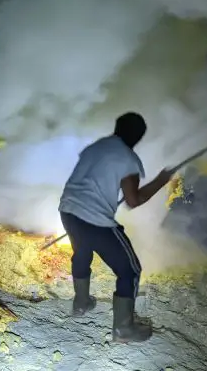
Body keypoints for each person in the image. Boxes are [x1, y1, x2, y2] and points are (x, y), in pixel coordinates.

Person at [59, 112, 173, 343]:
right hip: (95, 221)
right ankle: (123, 329)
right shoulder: (128, 159)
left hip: (68, 210)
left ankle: (80, 303)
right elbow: (133, 200)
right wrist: (161, 181)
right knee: (130, 270)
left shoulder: (96, 147)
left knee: (81, 253)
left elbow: (93, 178)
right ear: (138, 138)